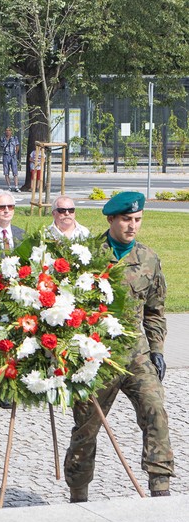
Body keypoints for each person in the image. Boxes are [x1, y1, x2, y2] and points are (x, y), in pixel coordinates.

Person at [65, 191, 174, 502]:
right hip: (96, 358)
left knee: (155, 411)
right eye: (127, 219)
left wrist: (157, 350)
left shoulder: (148, 258)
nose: (132, 226)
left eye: (137, 220)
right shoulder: (86, 257)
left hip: (136, 353)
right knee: (86, 428)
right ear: (111, 219)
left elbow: (155, 310)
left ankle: (160, 483)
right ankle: (78, 492)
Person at [1, 127, 20, 192]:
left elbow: (17, 146)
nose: (7, 132)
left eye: (9, 131)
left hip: (13, 156)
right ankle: (9, 186)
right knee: (6, 172)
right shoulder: (3, 139)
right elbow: (2, 146)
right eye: (6, 130)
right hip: (6, 156)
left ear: (11, 132)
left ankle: (16, 186)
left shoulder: (14, 138)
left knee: (15, 172)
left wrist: (15, 153)